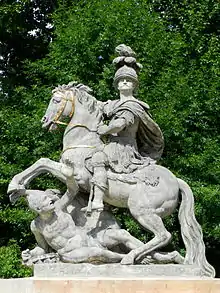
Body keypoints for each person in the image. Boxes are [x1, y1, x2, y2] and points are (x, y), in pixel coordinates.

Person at [83, 45, 164, 213]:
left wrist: (105, 130)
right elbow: (97, 106)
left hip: (124, 149)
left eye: (128, 80)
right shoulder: (112, 104)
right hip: (111, 145)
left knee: (97, 158)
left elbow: (121, 124)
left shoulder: (133, 105)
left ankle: (98, 201)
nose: (124, 82)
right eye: (121, 80)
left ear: (134, 85)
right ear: (117, 84)